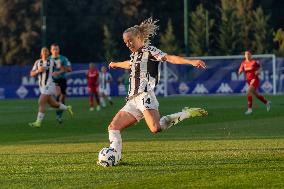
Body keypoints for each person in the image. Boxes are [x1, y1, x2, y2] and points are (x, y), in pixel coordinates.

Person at [99, 18, 208, 165]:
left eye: (130, 41)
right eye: (125, 43)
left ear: (139, 37)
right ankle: (116, 156)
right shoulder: (134, 56)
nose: (128, 44)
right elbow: (129, 64)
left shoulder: (150, 51)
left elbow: (170, 58)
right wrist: (116, 64)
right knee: (113, 127)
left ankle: (185, 113)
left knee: (155, 128)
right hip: (132, 100)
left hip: (145, 95)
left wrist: (191, 61)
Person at [29, 47, 73, 128]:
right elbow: (31, 74)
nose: (45, 52)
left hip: (49, 84)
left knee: (41, 101)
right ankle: (67, 108)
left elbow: (65, 67)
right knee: (53, 104)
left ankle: (38, 122)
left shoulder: (52, 61)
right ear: (41, 53)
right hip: (42, 86)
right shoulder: (37, 62)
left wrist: (59, 72)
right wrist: (38, 70)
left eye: (46, 51)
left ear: (48, 53)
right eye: (43, 51)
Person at [238, 51, 271, 115]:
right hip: (248, 81)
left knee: (248, 92)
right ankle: (267, 103)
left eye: (248, 54)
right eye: (246, 54)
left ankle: (250, 110)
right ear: (245, 56)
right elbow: (240, 70)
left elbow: (260, 67)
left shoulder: (254, 62)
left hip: (255, 79)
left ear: (250, 55)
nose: (247, 55)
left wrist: (259, 71)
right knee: (256, 95)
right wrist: (240, 72)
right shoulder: (243, 63)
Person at [50, 43, 72, 123]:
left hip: (62, 80)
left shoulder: (63, 59)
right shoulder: (48, 59)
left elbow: (69, 69)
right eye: (53, 49)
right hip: (53, 80)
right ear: (51, 50)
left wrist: (61, 68)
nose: (55, 51)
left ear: (58, 50)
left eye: (56, 49)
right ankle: (58, 114)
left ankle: (59, 115)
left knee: (62, 98)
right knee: (58, 94)